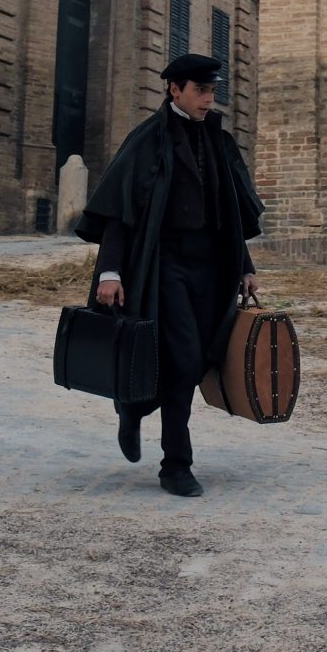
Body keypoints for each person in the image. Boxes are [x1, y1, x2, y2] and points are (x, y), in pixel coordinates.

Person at [71, 53, 262, 496]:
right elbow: (119, 211)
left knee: (200, 358)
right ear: (175, 90)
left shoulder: (219, 141)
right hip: (165, 266)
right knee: (185, 357)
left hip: (212, 269)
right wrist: (110, 273)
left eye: (212, 91)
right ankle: (176, 465)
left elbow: (232, 212)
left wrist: (245, 266)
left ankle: (134, 408)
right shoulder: (148, 139)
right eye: (200, 91)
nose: (209, 100)